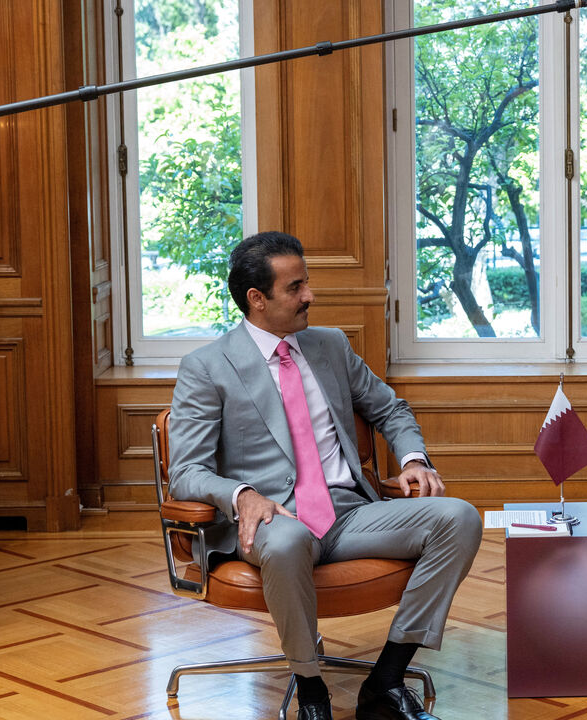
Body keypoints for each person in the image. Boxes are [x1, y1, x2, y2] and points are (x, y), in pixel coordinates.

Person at [168, 231, 482, 720]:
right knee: (287, 541)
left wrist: (414, 459)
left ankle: (386, 680)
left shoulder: (330, 345)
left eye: (306, 283)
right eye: (295, 287)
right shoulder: (207, 367)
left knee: (459, 518)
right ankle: (312, 691)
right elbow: (186, 471)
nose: (309, 295)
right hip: (274, 519)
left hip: (350, 512)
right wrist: (242, 494)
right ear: (257, 299)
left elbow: (390, 408)